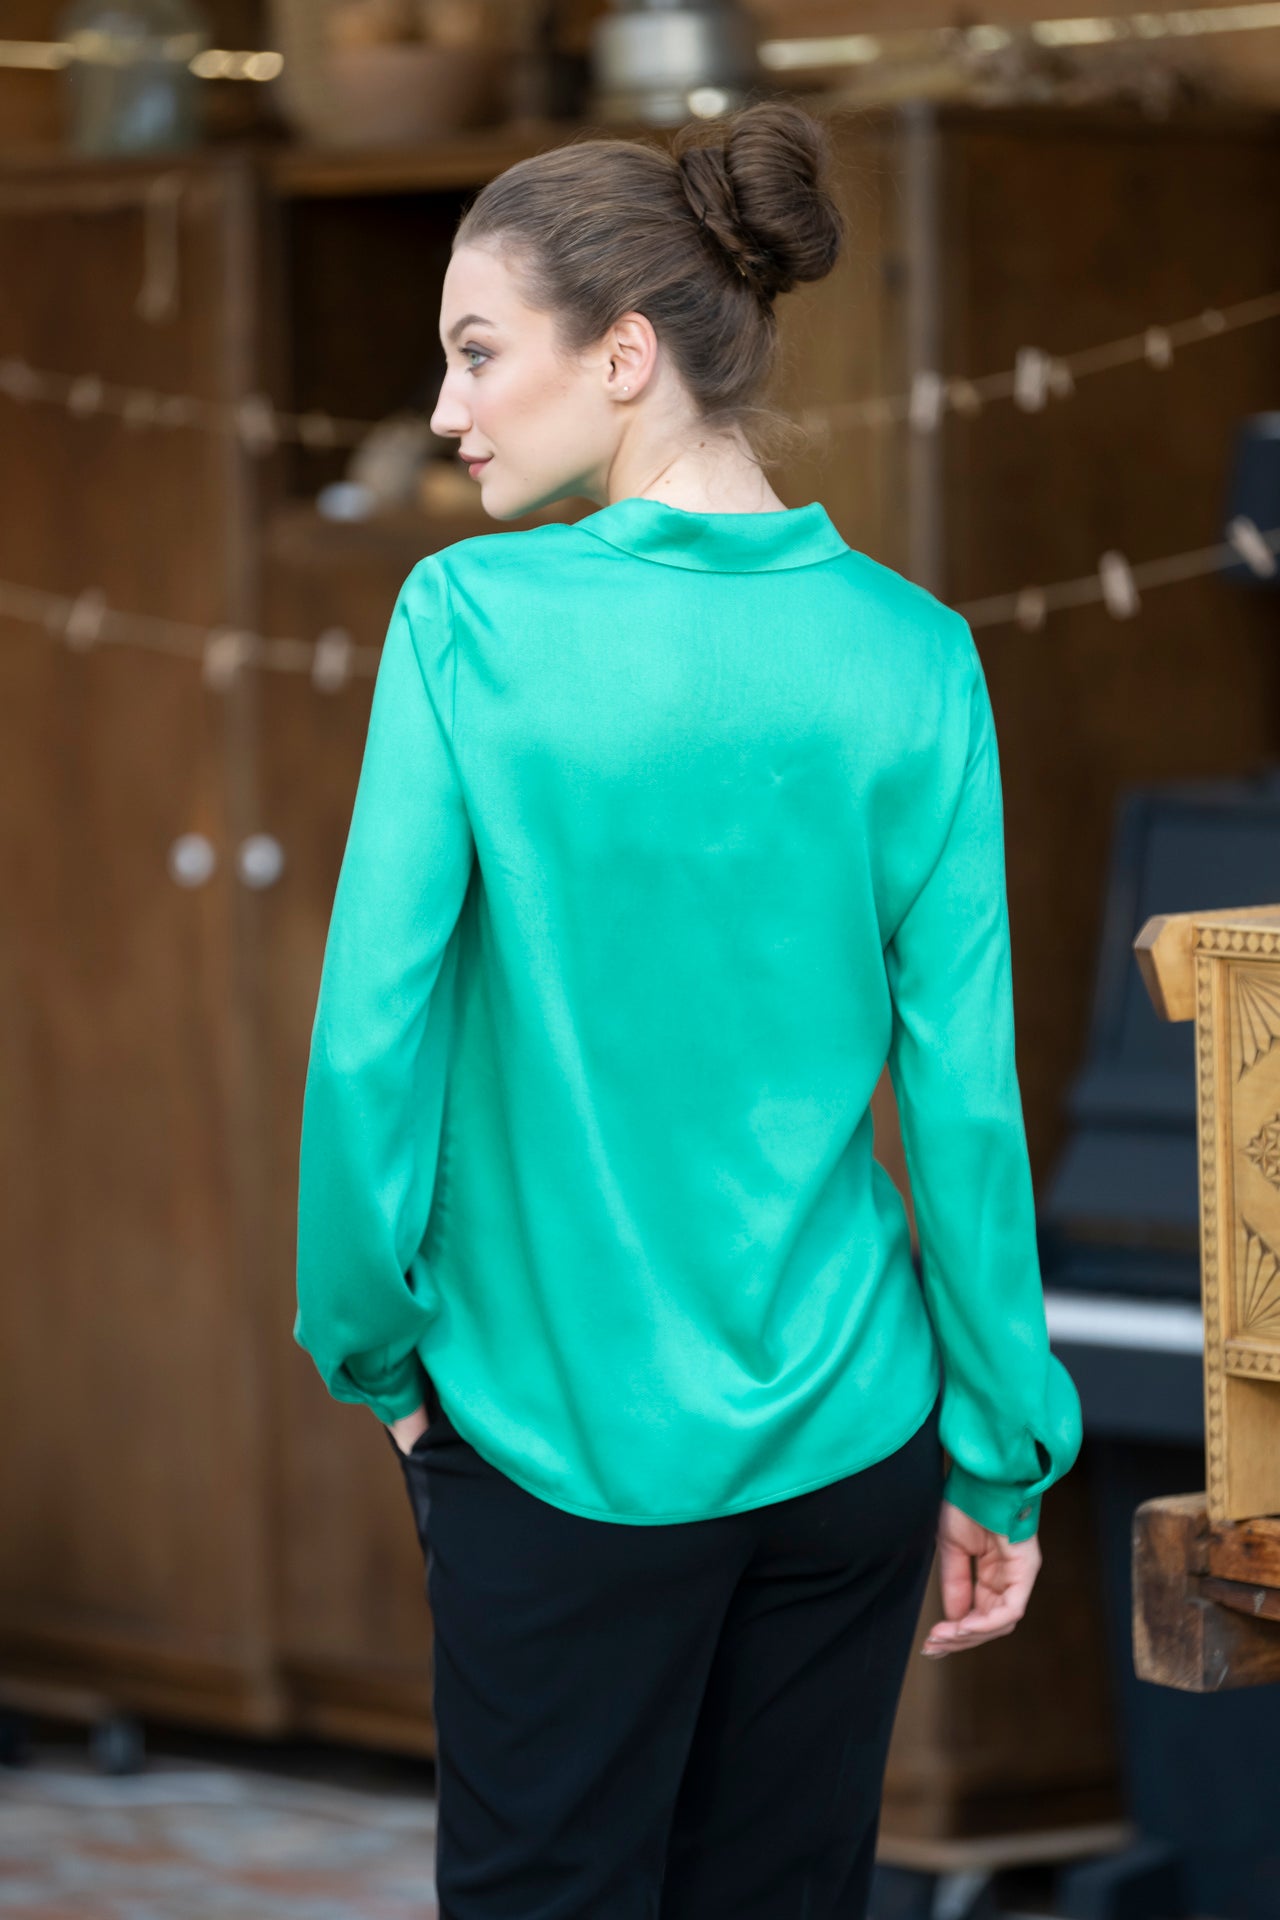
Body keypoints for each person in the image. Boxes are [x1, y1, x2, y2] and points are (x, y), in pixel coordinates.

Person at [294, 96, 1084, 1920]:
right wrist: (1000, 1451)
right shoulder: (916, 653)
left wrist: (375, 1353)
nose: (448, 412)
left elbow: (369, 1036)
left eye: (477, 352)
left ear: (625, 355)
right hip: (853, 1435)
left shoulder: (468, 621)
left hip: (550, 1439)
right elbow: (965, 1097)